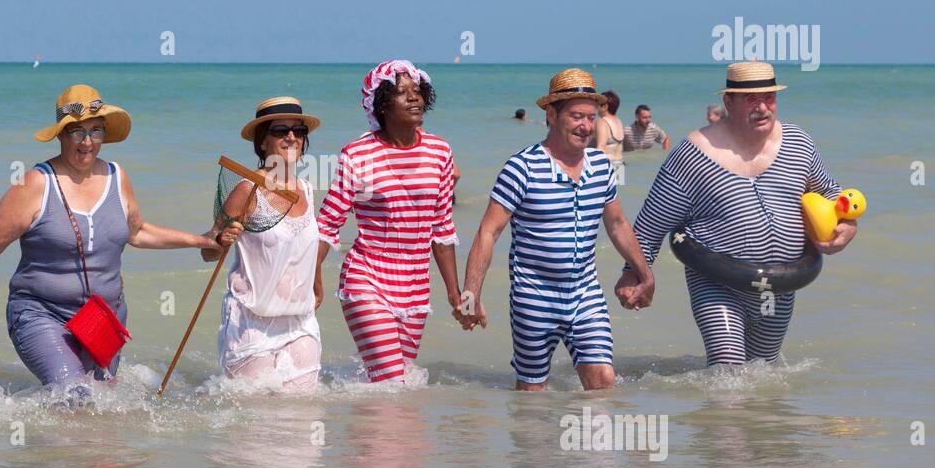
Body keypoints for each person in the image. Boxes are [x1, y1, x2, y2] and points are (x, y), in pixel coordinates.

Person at [0, 85, 238, 386]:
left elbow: (138, 231)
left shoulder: (117, 177)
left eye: (96, 131)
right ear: (60, 134)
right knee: (74, 393)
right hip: (43, 315)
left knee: (101, 413)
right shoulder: (34, 185)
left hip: (105, 319)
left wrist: (202, 239)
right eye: (76, 132)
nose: (87, 142)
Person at [615, 61, 858, 365]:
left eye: (769, 97)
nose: (763, 108)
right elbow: (651, 224)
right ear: (728, 102)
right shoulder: (694, 154)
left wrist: (848, 226)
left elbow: (832, 195)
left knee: (761, 378)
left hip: (780, 287)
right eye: (751, 99)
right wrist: (633, 272)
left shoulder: (799, 144)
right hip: (717, 283)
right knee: (728, 375)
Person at [460, 69, 654, 391]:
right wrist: (471, 295)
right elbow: (487, 233)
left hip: (585, 293)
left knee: (603, 383)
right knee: (532, 395)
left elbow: (618, 225)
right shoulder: (521, 168)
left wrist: (644, 274)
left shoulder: (601, 166)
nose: (586, 127)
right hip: (533, 297)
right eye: (577, 116)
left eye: (591, 118)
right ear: (551, 115)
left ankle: (591, 442)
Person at [315, 60, 464, 384]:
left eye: (418, 91)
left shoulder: (440, 152)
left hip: (415, 289)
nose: (414, 98)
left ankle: (368, 433)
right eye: (402, 92)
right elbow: (328, 224)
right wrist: (311, 281)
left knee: (398, 385)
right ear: (381, 104)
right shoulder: (357, 154)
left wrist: (456, 295)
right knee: (391, 382)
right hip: (366, 280)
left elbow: (441, 229)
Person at [210, 97, 322, 392]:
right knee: (255, 427)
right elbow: (208, 250)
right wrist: (221, 239)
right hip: (252, 322)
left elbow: (305, 246)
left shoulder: (307, 190)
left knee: (301, 423)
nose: (291, 137)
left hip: (300, 323)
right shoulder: (248, 190)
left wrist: (316, 284)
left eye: (298, 131)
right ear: (262, 143)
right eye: (280, 130)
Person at [594, 89, 626, 183]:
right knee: (616, 195)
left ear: (605, 106)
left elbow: (601, 147)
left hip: (607, 165)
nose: (596, 107)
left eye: (598, 104)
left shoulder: (601, 121)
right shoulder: (618, 121)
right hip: (619, 164)